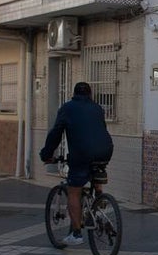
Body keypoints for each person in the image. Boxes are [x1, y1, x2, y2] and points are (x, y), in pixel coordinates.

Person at [38, 82, 114, 245]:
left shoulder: (67, 108)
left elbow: (56, 134)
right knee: (96, 172)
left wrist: (47, 154)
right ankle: (99, 202)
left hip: (81, 154)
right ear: (90, 94)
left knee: (74, 191)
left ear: (74, 94)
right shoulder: (97, 108)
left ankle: (77, 234)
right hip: (105, 151)